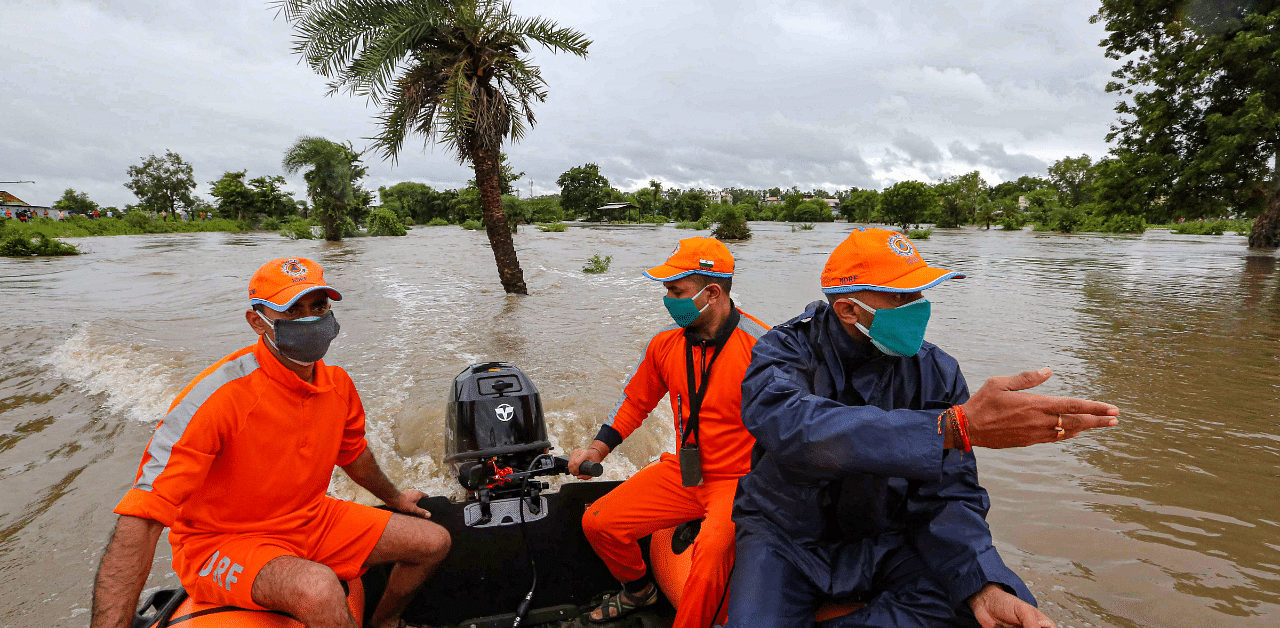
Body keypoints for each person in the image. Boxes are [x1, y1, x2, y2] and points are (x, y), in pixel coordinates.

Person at [726, 229, 1120, 628]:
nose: (919, 306)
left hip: (885, 541)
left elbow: (948, 492)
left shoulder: (937, 371)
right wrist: (948, 428)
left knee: (987, 606)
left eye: (920, 293)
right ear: (848, 310)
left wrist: (984, 585)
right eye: (902, 297)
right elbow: (792, 426)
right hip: (787, 537)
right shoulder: (783, 349)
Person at [91, 257, 451, 628]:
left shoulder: (337, 384)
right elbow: (144, 512)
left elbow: (354, 455)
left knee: (433, 543)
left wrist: (395, 500)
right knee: (317, 588)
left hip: (311, 519)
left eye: (318, 306)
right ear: (256, 322)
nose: (310, 319)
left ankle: (384, 622)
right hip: (221, 544)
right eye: (291, 310)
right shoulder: (218, 397)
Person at [568, 237, 769, 628]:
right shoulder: (664, 344)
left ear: (712, 293)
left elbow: (799, 424)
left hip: (740, 481)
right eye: (667, 291)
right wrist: (596, 450)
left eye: (676, 291)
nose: (668, 300)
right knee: (599, 522)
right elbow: (634, 403)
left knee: (710, 555)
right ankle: (640, 591)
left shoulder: (764, 347)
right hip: (685, 473)